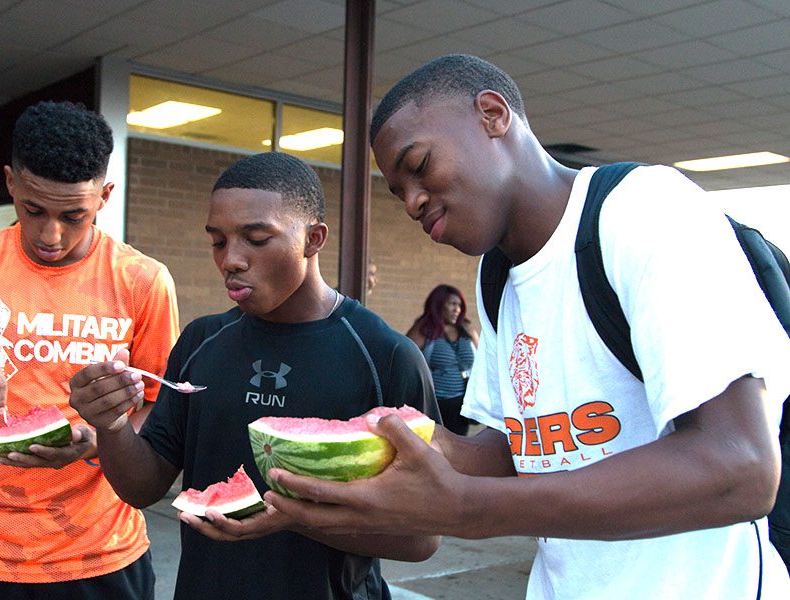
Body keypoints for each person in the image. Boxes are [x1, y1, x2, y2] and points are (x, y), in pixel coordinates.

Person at [263, 54, 790, 598]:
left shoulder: (643, 210)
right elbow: (518, 452)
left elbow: (742, 467)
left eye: (418, 166)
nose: (413, 202)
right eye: (399, 193)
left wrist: (469, 510)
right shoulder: (498, 275)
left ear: (493, 115)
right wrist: (413, 445)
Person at [68, 151, 442, 599]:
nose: (231, 260)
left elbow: (421, 537)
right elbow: (142, 486)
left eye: (256, 239)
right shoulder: (201, 341)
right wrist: (109, 424)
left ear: (313, 239)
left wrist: (300, 517)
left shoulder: (386, 357)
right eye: (218, 241)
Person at [0, 100, 179, 599]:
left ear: (105, 196)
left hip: (102, 555)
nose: (51, 235)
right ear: (11, 183)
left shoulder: (142, 280)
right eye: (34, 210)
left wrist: (101, 440)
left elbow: (163, 406)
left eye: (74, 215)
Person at [406, 284, 478, 435]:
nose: (457, 309)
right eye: (452, 304)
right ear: (439, 305)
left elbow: (481, 359)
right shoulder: (424, 329)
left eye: (459, 305)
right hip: (434, 405)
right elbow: (405, 358)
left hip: (461, 404)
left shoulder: (467, 329)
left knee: (457, 448)